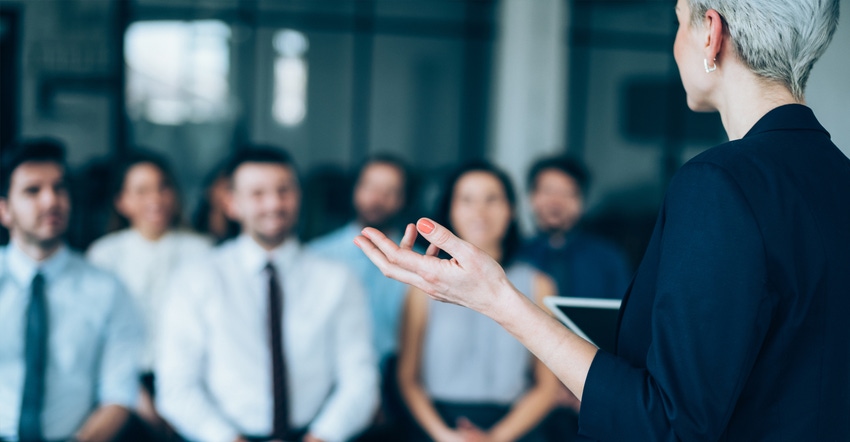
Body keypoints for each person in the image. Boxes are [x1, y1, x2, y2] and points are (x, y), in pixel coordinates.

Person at [354, 0, 850, 439]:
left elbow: (669, 425)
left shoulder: (719, 181)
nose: (676, 43)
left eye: (679, 22)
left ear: (711, 34)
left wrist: (496, 298)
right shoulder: (838, 175)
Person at [156, 145, 379, 442]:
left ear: (298, 196)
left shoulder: (338, 279)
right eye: (258, 194)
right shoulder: (196, 278)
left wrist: (322, 436)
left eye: (284, 190)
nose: (274, 204)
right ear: (232, 204)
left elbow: (361, 380)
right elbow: (176, 386)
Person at [398, 162, 558, 442]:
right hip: (437, 427)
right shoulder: (423, 283)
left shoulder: (538, 284)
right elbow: (408, 378)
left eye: (492, 199)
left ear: (511, 209)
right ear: (450, 209)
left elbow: (547, 386)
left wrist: (496, 438)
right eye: (467, 200)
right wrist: (444, 435)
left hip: (515, 428)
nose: (480, 212)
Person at [0, 139, 143, 442]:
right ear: (4, 210)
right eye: (32, 190)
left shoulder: (107, 289)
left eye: (60, 188)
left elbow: (118, 394)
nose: (51, 200)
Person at [86, 149, 212, 431]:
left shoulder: (202, 251)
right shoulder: (104, 255)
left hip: (192, 378)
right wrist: (132, 393)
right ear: (122, 201)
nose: (155, 199)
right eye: (141, 191)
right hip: (124, 383)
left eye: (163, 187)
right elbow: (99, 337)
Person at [308, 155, 411, 438]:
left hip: (399, 390)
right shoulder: (317, 255)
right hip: (330, 388)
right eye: (370, 187)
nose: (378, 198)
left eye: (390, 191)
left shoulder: (422, 262)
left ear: (402, 199)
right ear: (355, 190)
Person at [521, 155, 631, 300]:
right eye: (547, 191)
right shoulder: (517, 256)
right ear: (531, 197)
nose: (555, 201)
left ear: (583, 202)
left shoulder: (608, 259)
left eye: (567, 193)